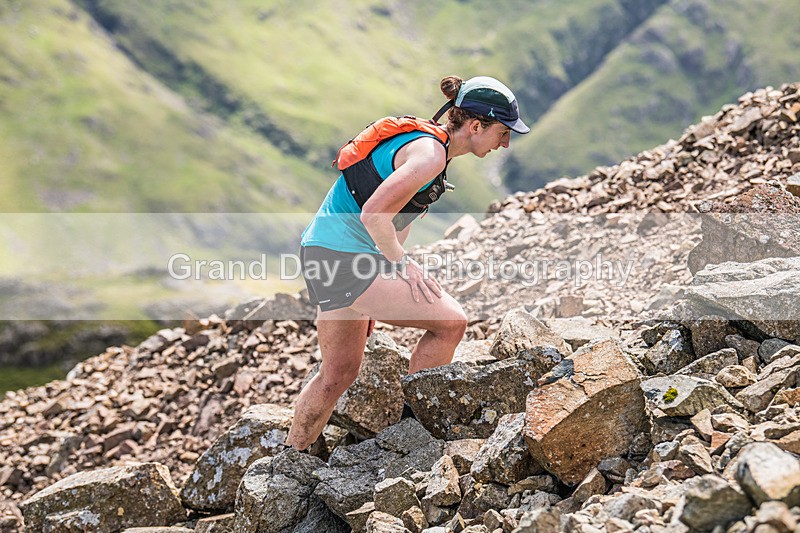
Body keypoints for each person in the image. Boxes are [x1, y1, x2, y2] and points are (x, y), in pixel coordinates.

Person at [285, 75, 530, 450]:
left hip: (321, 253)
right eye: (503, 131)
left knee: (337, 373)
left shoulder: (426, 145)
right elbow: (373, 215)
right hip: (346, 261)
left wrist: (371, 293)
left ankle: (291, 458)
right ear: (477, 126)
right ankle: (411, 438)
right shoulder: (430, 156)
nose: (506, 142)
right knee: (452, 323)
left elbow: (395, 223)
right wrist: (402, 267)